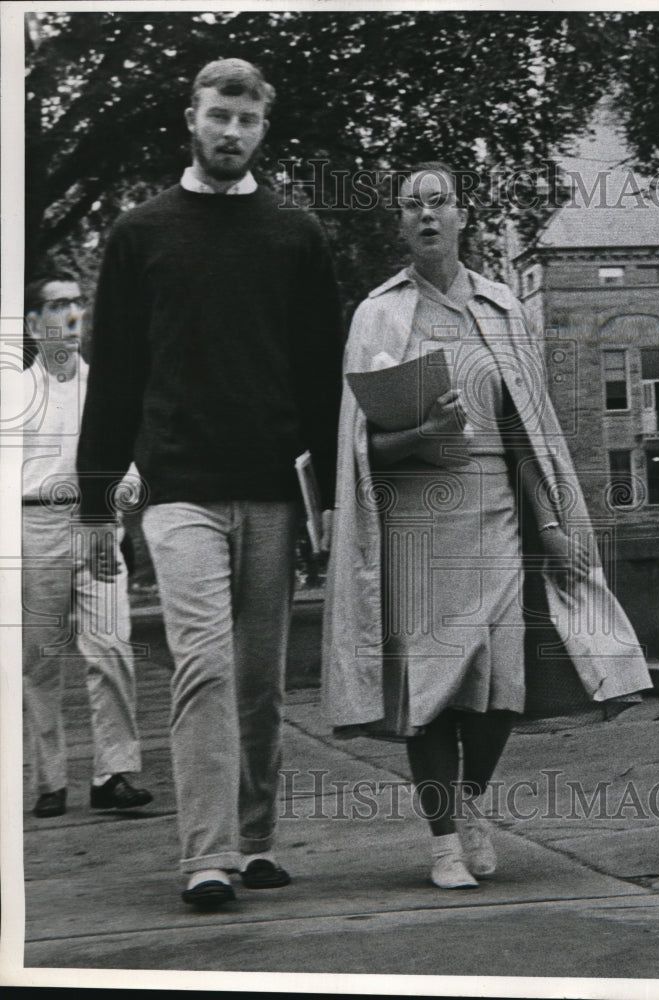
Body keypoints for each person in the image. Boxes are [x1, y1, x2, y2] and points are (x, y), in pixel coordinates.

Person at [322, 163, 652, 889]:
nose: (426, 216)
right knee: (430, 687)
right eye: (412, 206)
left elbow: (527, 430)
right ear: (400, 224)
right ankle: (442, 838)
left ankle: (469, 802)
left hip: (496, 513)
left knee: (501, 682)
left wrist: (554, 524)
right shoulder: (375, 315)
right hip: (414, 519)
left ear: (463, 216)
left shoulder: (501, 310)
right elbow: (359, 448)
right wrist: (420, 432)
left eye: (439, 202)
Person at [76, 59, 344, 907]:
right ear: (190, 118)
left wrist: (330, 500)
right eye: (218, 115)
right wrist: (94, 502)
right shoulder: (139, 234)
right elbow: (114, 373)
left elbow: (318, 377)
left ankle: (257, 838)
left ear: (264, 130)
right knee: (204, 667)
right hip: (179, 487)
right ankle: (208, 854)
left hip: (272, 487)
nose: (231, 131)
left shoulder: (295, 236)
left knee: (261, 677)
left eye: (247, 120)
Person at [22, 269, 153, 819]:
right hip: (33, 529)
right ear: (33, 323)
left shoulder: (107, 389)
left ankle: (114, 773)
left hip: (97, 527)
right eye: (57, 306)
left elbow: (138, 466)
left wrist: (123, 491)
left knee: (112, 646)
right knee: (37, 661)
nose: (72, 315)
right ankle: (49, 780)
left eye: (78, 304)